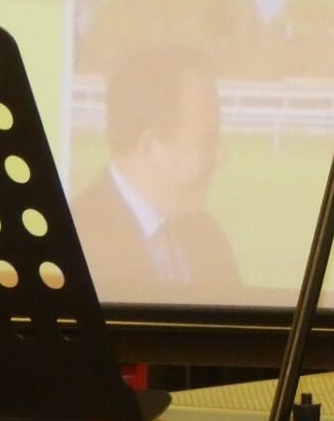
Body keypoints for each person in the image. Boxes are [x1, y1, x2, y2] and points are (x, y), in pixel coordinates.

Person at [75, 44, 241, 300]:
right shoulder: (75, 243)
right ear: (150, 147)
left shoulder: (208, 238)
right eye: (207, 141)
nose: (221, 158)